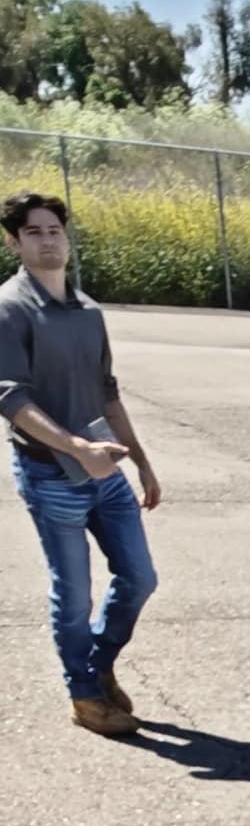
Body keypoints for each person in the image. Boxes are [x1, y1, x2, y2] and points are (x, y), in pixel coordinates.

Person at [1, 190, 161, 737]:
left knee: (140, 577)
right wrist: (77, 449)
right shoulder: (8, 308)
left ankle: (97, 664)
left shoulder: (88, 310)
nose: (48, 241)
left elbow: (108, 392)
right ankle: (85, 696)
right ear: (14, 242)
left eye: (54, 231)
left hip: (105, 470)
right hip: (50, 475)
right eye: (34, 232)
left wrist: (140, 461)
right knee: (72, 592)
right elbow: (11, 399)